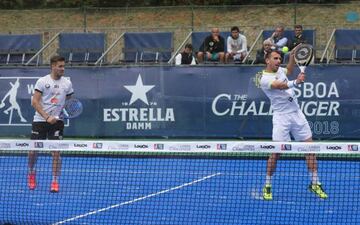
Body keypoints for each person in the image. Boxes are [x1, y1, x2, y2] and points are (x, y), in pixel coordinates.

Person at [257, 48, 328, 201]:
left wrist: (291, 57)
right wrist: (297, 81)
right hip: (281, 118)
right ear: (267, 60)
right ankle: (267, 185)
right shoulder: (263, 78)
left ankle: (315, 183)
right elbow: (280, 86)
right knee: (276, 153)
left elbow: (289, 70)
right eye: (275, 58)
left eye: (279, 58)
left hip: (297, 114)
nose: (278, 61)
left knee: (310, 148)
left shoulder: (280, 69)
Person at [28, 55, 74, 193]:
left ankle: (54, 181)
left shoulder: (67, 84)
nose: (62, 69)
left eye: (63, 66)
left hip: (57, 123)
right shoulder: (42, 81)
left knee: (56, 153)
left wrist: (61, 114)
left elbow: (70, 102)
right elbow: (34, 102)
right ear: (53, 66)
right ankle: (31, 173)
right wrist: (47, 117)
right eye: (60, 66)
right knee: (32, 152)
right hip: (40, 121)